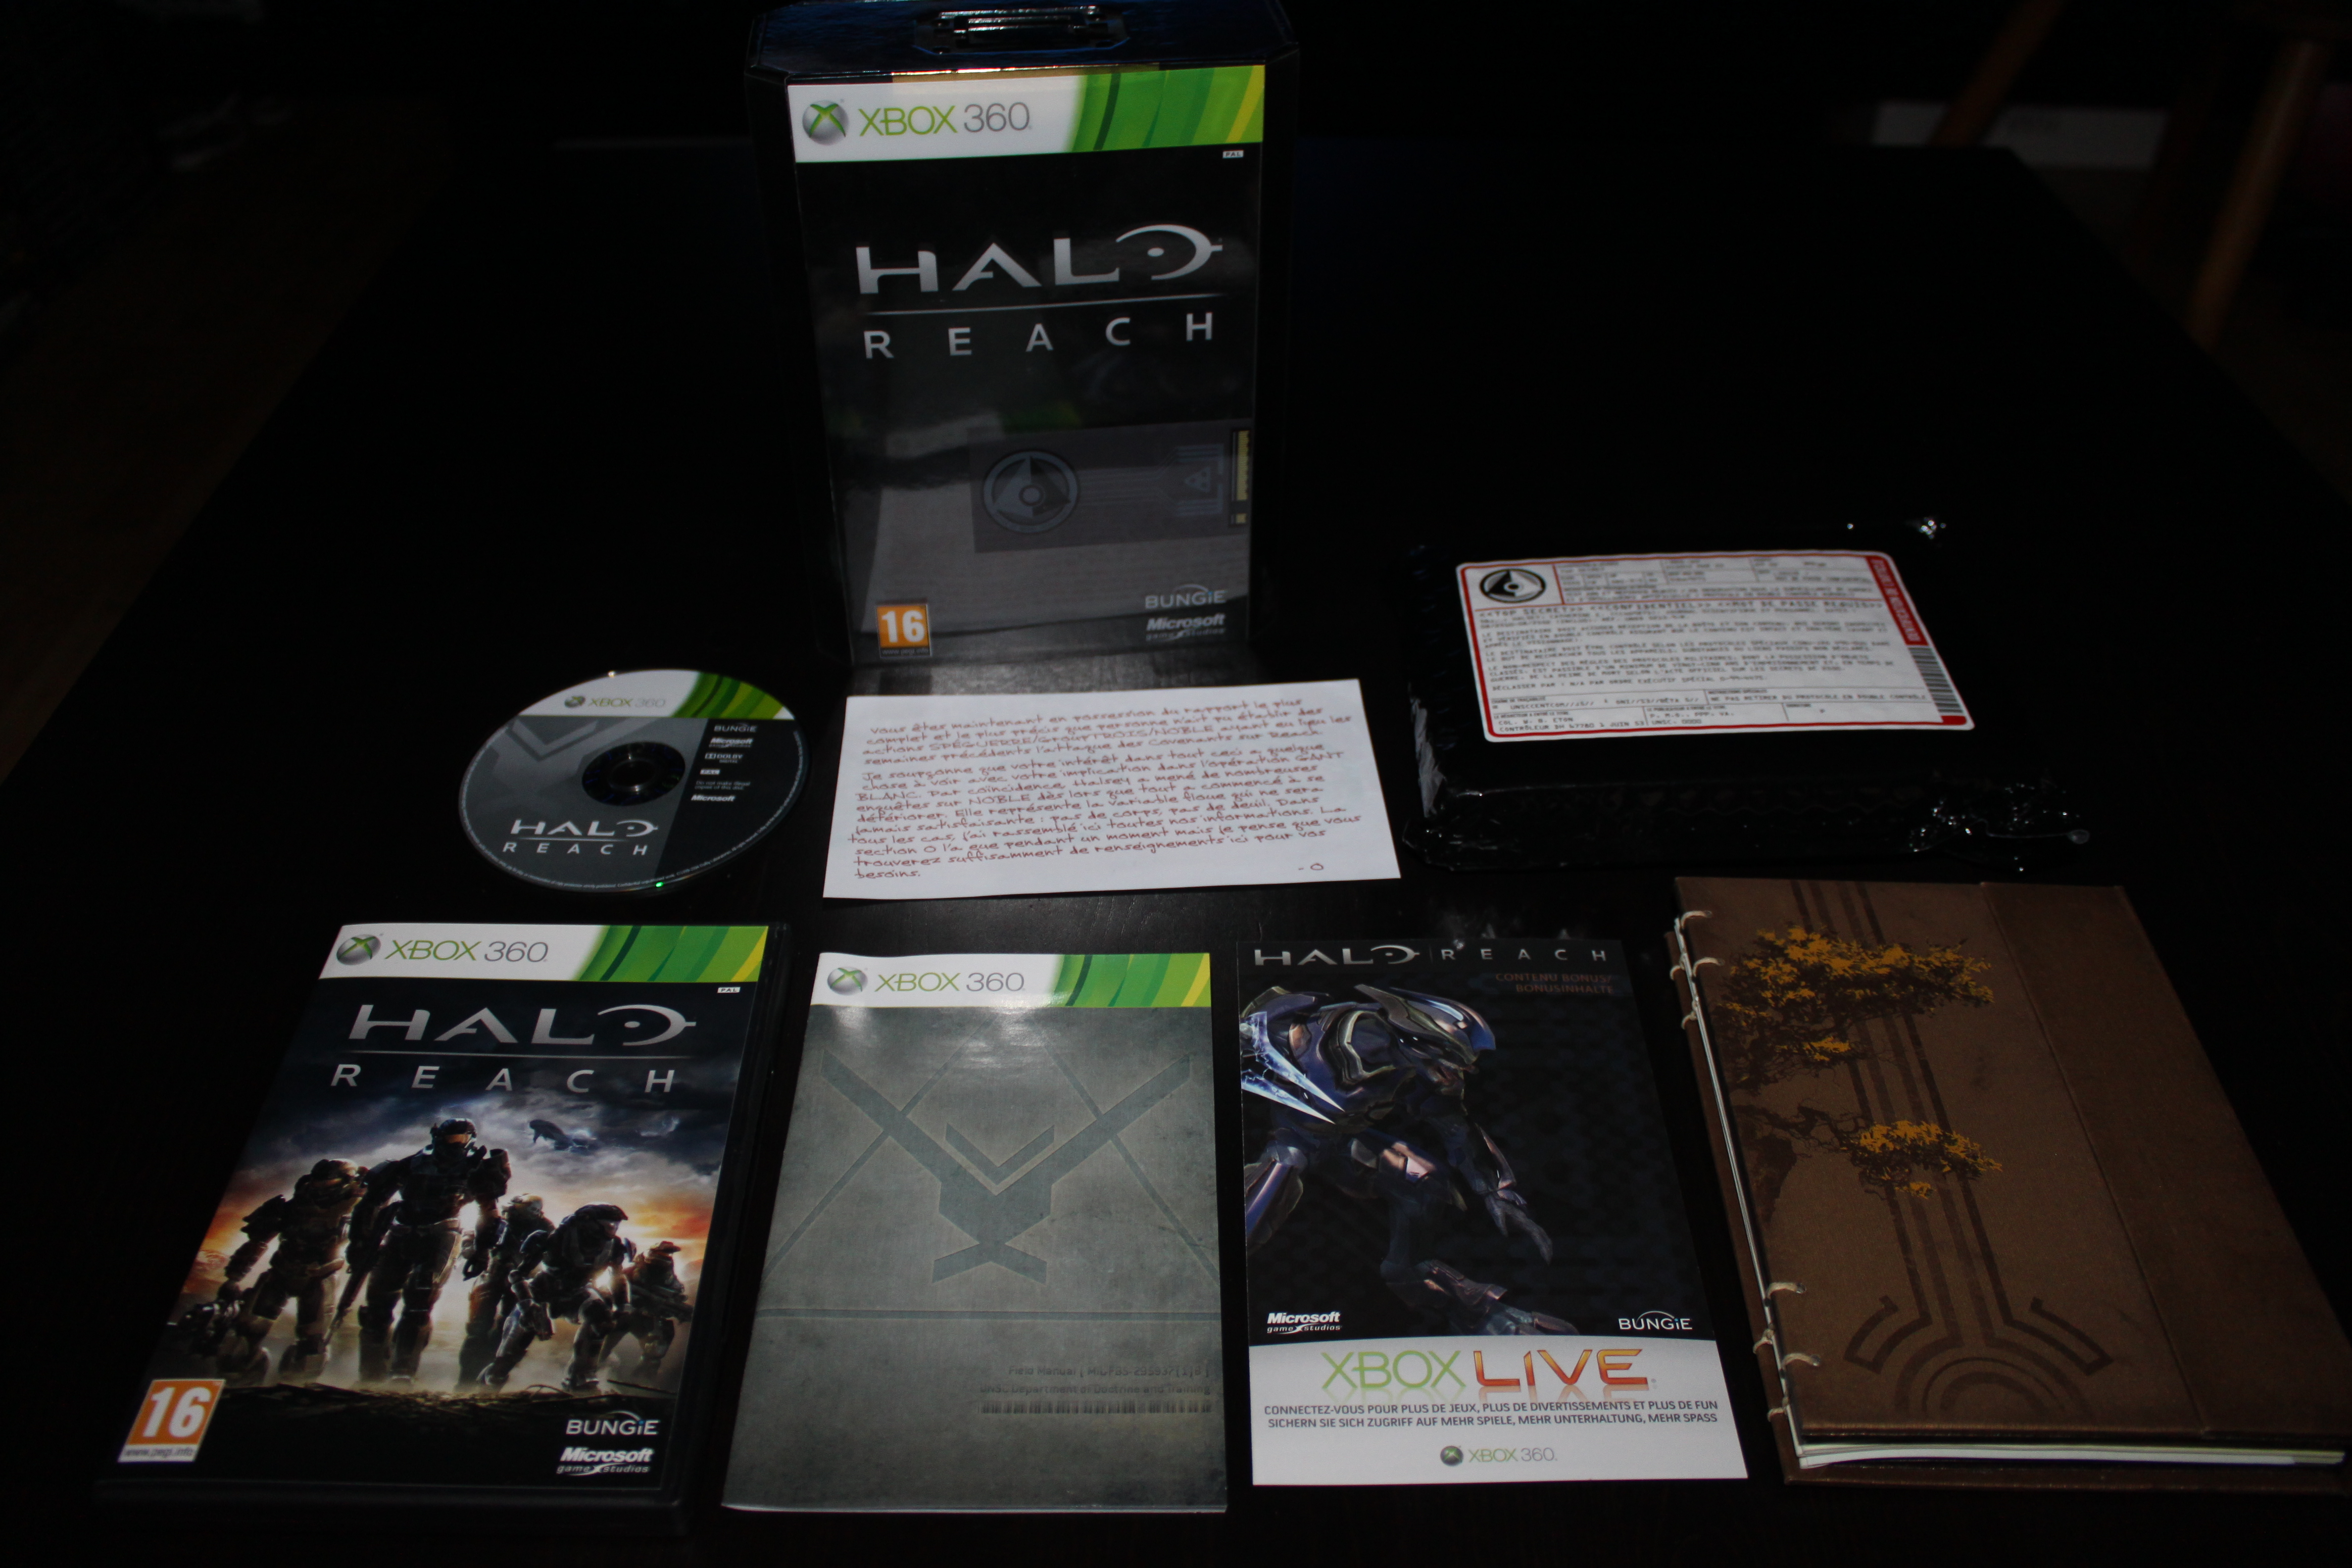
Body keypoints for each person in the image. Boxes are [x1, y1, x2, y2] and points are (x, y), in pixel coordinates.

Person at [1239, 984, 1574, 1335]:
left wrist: (1496, 1190)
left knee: (1426, 1181)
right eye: (1445, 1061)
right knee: (1264, 1203)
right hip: (1293, 1141)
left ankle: (1469, 1309)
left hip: (1344, 1142)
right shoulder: (1310, 1033)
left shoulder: (1415, 1073)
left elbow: (1456, 1128)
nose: (1451, 1073)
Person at [346, 1117, 509, 1384]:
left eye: (461, 1140)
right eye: (451, 1138)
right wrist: (359, 1242)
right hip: (401, 1232)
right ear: (437, 1137)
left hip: (441, 1235)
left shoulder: (475, 1168)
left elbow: (490, 1211)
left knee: (419, 1304)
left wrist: (482, 1251)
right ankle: (370, 1374)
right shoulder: (412, 1164)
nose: (455, 1144)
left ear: (470, 1141)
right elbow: (371, 1203)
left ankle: (402, 1372)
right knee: (377, 1306)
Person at [212, 1159, 368, 1384]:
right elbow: (257, 1241)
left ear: (346, 1182)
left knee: (311, 1341)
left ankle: (298, 1382)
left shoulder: (360, 1209)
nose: (320, 1187)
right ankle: (238, 1376)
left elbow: (370, 1245)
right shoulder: (293, 1205)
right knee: (248, 1330)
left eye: (328, 1183)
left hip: (319, 1280)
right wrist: (234, 1277)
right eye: (317, 1181)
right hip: (281, 1273)